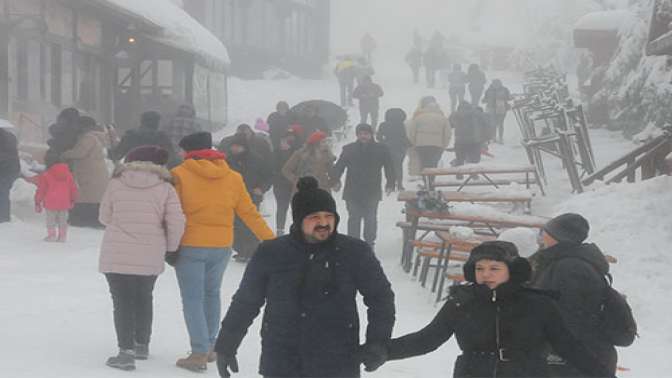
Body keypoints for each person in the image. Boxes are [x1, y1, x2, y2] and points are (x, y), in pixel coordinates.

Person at [214, 176, 396, 378]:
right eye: (314, 217)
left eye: (329, 216)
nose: (324, 223)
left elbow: (381, 298)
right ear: (299, 220)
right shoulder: (272, 252)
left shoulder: (354, 252)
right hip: (282, 359)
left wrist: (378, 342)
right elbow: (246, 302)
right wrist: (226, 345)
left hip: (337, 360)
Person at [372, 241, 615, 378]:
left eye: (494, 268)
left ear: (512, 270)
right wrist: (384, 351)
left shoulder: (539, 304)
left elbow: (568, 346)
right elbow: (427, 339)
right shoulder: (461, 302)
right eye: (479, 269)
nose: (485, 274)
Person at [170, 132, 274, 372]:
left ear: (189, 152)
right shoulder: (232, 177)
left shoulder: (179, 175)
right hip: (222, 245)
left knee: (193, 298)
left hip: (191, 244)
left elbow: (173, 215)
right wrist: (271, 240)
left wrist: (167, 243)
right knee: (212, 294)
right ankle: (211, 347)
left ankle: (198, 351)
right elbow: (249, 212)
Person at [99, 145, 186, 371]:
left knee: (122, 301)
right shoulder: (166, 188)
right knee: (144, 297)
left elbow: (104, 216)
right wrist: (171, 247)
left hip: (117, 251)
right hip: (151, 251)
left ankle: (125, 352)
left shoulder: (115, 183)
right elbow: (177, 221)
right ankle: (141, 344)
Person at [529, 213, 617, 377]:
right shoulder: (565, 261)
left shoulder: (569, 268)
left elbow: (572, 317)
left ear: (558, 237)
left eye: (545, 232)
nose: (541, 238)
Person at [331, 124, 395, 249]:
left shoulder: (381, 149)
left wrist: (390, 183)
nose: (363, 136)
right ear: (357, 135)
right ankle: (353, 244)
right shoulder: (349, 149)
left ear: (371, 135)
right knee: (354, 217)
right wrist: (335, 180)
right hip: (352, 190)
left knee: (370, 218)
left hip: (372, 190)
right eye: (361, 133)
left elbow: (389, 167)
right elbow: (339, 166)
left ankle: (369, 243)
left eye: (366, 133)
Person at [225, 134, 273, 263]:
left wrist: (261, 188)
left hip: (252, 195)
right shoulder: (227, 161)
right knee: (235, 226)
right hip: (232, 197)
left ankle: (253, 251)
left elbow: (268, 176)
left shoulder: (257, 160)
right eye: (233, 146)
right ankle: (242, 250)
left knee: (249, 224)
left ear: (244, 147)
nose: (234, 149)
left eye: (237, 146)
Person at [60, 115, 109, 228]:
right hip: (94, 171)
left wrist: (65, 154)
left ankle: (84, 220)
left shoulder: (88, 138)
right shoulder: (96, 136)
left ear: (84, 126)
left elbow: (80, 152)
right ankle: (95, 220)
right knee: (94, 196)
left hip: (89, 171)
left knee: (86, 196)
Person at [34, 159, 78, 242]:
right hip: (64, 203)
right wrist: (72, 199)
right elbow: (73, 189)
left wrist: (37, 201)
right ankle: (62, 237)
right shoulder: (69, 175)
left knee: (51, 220)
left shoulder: (46, 175)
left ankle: (52, 236)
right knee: (63, 220)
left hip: (50, 203)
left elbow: (41, 190)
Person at [111, 111, 177, 167]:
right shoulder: (162, 137)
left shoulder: (130, 135)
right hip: (156, 173)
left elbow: (117, 154)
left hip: (133, 171)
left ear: (141, 121)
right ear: (157, 123)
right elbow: (172, 157)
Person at [407, 96, 452, 171]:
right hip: (437, 145)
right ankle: (431, 180)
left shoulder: (418, 117)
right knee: (433, 164)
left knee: (423, 163)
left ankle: (426, 180)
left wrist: (414, 143)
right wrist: (444, 145)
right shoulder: (443, 118)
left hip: (421, 145)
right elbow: (448, 134)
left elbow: (412, 132)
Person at [272, 129, 301, 235]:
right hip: (280, 185)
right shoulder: (275, 152)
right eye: (285, 138)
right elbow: (272, 168)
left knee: (296, 208)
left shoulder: (296, 152)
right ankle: (280, 230)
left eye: (291, 137)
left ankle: (298, 229)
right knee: (281, 207)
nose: (288, 140)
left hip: (294, 185)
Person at [377, 108, 411, 191]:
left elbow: (378, 137)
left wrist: (383, 142)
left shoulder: (383, 125)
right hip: (399, 148)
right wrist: (409, 144)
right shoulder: (401, 125)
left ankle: (390, 184)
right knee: (398, 166)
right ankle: (399, 184)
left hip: (387, 148)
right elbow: (403, 137)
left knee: (388, 167)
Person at [449, 102, 489, 167]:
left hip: (460, 141)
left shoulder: (455, 114)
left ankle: (459, 174)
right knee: (474, 161)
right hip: (475, 141)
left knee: (460, 160)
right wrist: (484, 138)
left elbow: (449, 125)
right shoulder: (477, 113)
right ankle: (474, 175)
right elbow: (486, 125)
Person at [0, 125, 20, 223]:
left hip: (6, 170)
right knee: (3, 192)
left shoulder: (4, 139)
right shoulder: (9, 136)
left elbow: (4, 156)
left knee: (2, 192)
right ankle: (4, 217)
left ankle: (3, 218)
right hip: (12, 169)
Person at [483, 79, 511, 144]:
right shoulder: (489, 90)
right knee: (493, 123)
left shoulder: (504, 89)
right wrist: (485, 100)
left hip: (501, 108)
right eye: (495, 84)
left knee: (500, 123)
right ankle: (494, 137)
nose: (496, 85)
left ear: (500, 84)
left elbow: (508, 97)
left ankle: (500, 137)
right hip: (492, 108)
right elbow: (485, 98)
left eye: (497, 84)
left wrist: (506, 98)